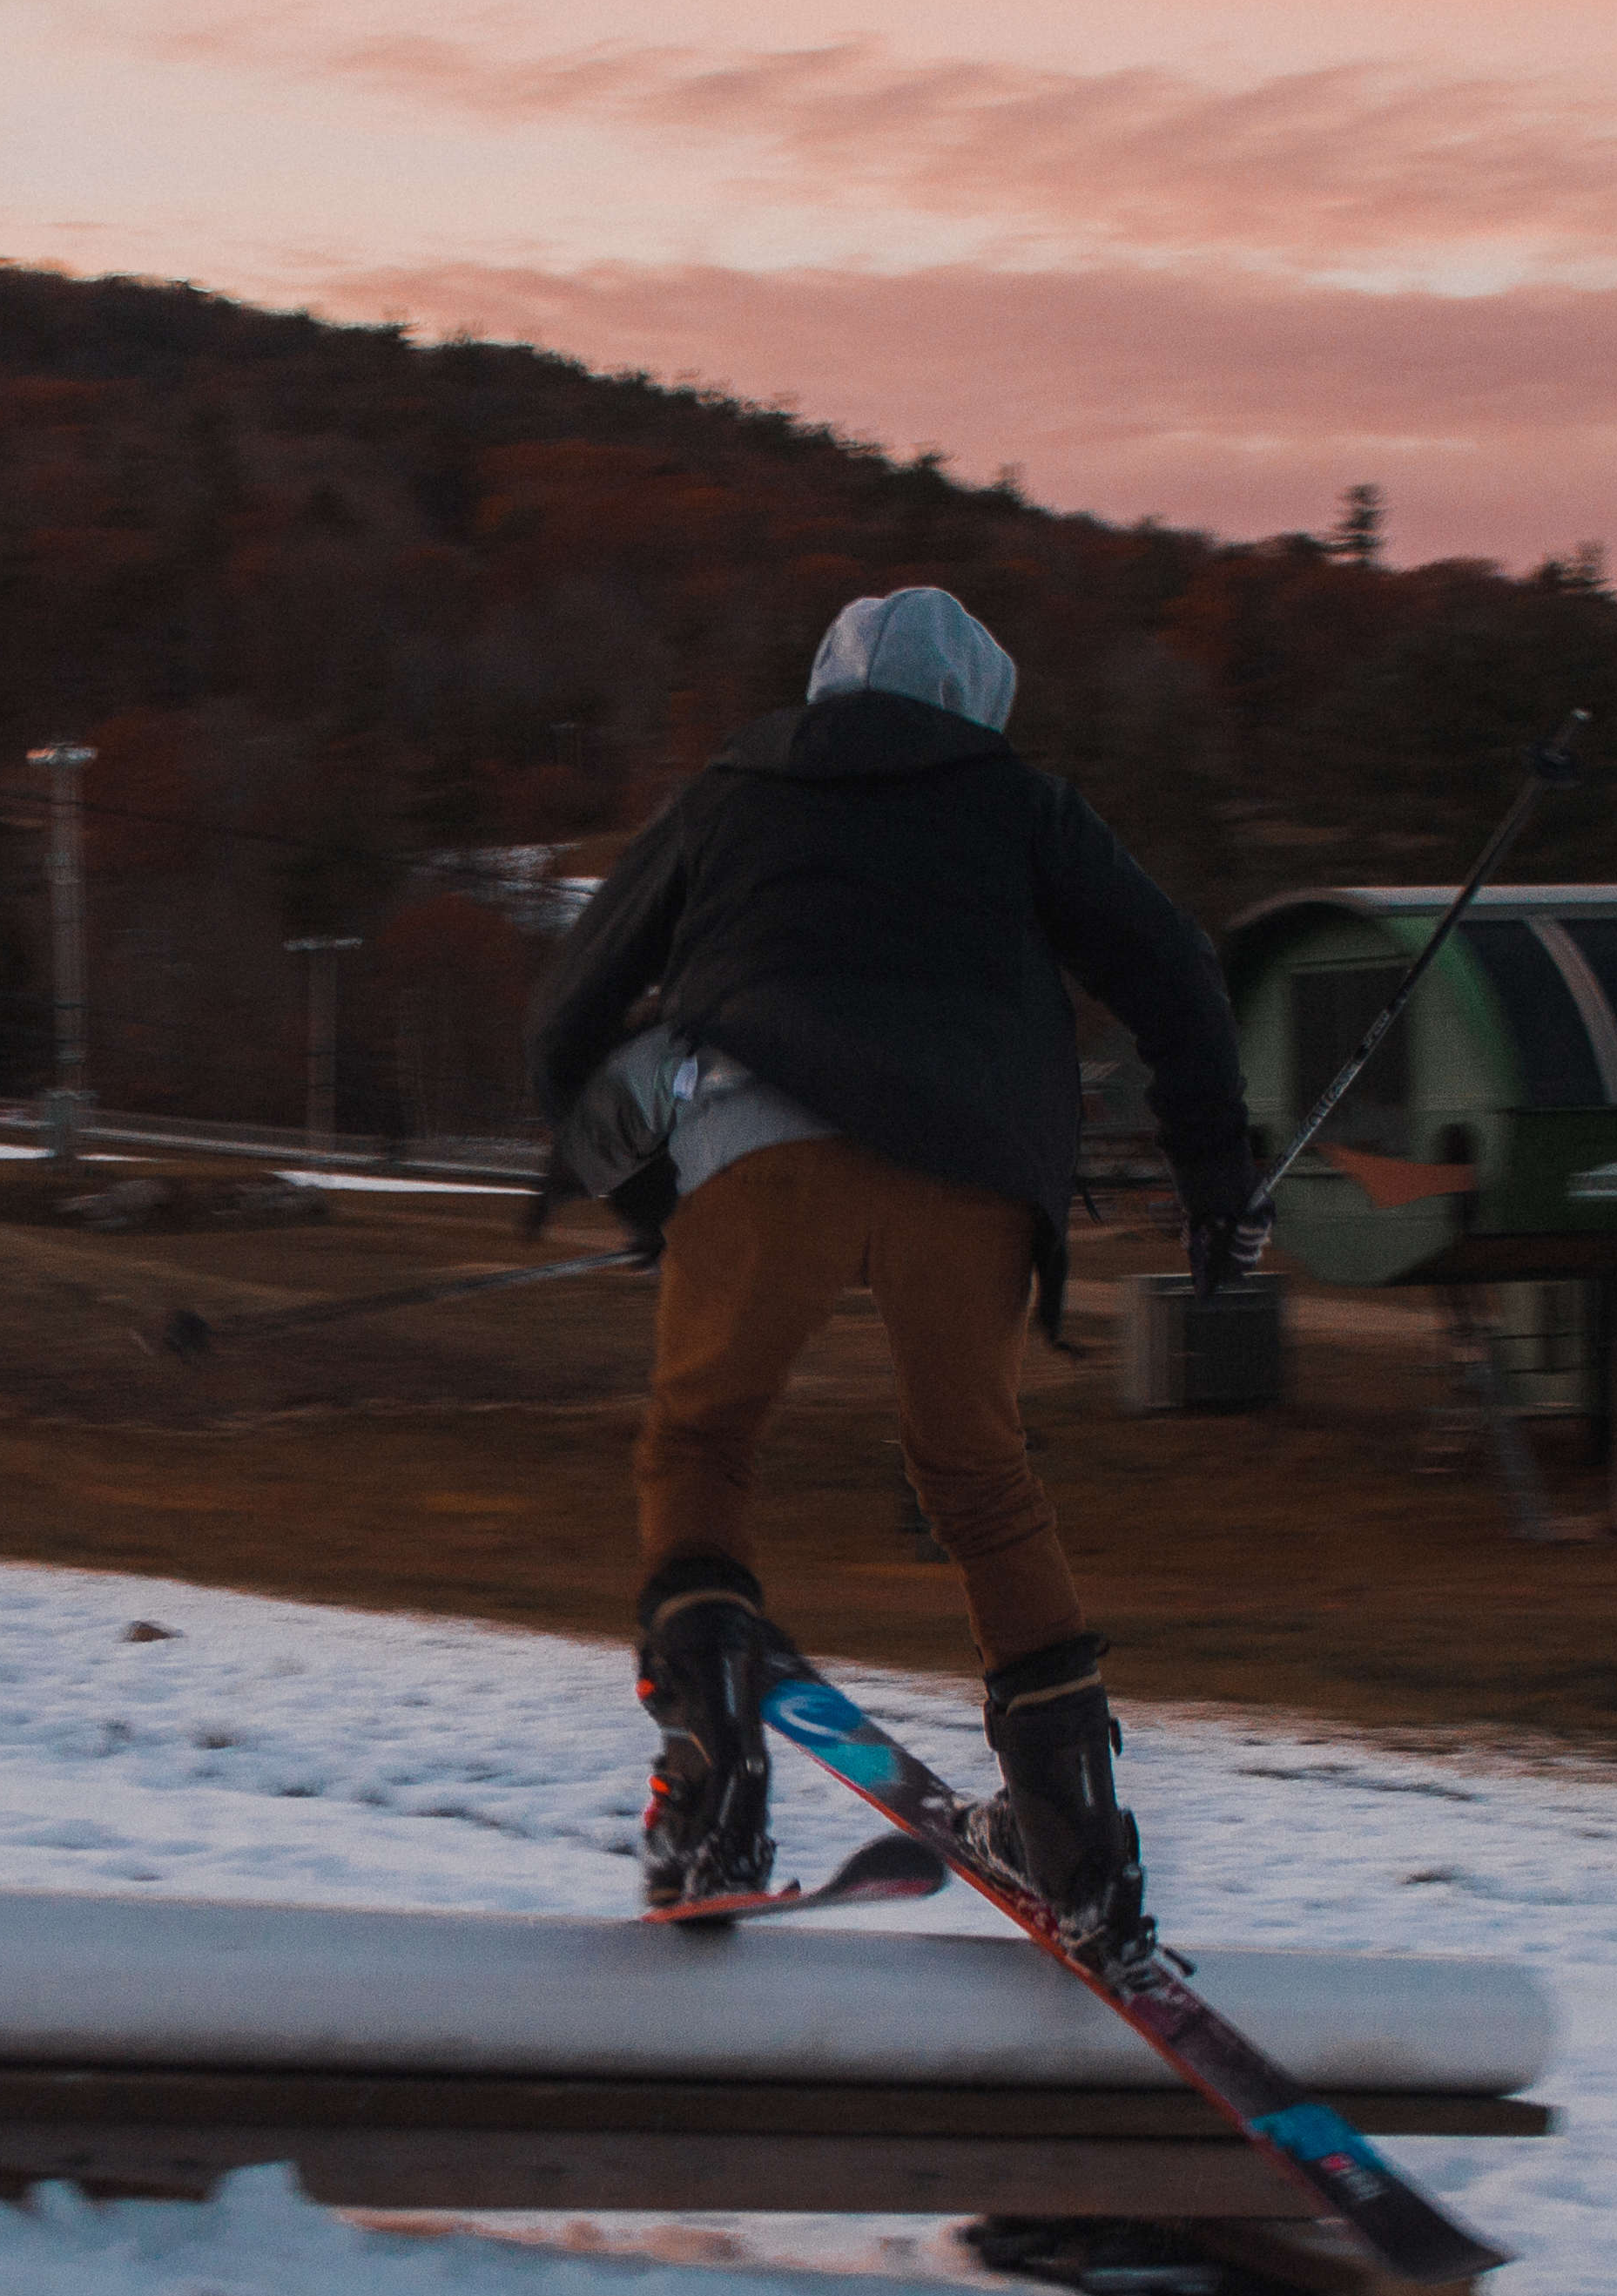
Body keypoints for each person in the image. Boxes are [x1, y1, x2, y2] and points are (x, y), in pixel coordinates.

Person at [528, 586, 1262, 1957]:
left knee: (703, 1437)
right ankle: (1077, 1843)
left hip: (758, 1144)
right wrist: (1217, 1185)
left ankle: (712, 1799)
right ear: (982, 703)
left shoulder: (730, 793)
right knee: (979, 1480)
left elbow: (571, 1009)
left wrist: (639, 1190)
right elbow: (1174, 970)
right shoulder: (1022, 805)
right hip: (973, 1162)